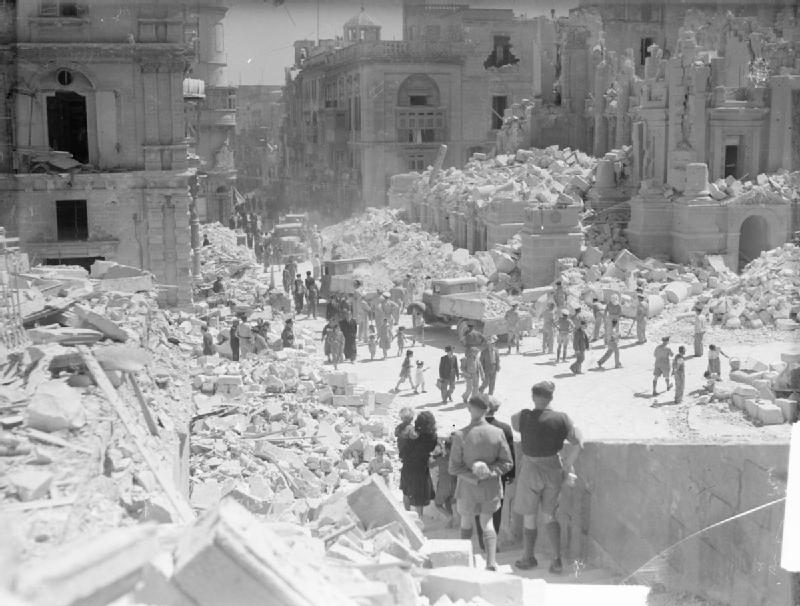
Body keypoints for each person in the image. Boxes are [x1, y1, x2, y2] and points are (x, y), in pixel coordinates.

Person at [511, 381, 583, 574]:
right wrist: (567, 464)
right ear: (551, 398)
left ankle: (528, 557)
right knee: (550, 515)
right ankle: (557, 560)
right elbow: (578, 443)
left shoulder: (523, 416)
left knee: (529, 514)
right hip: (553, 468)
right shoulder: (562, 418)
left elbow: (513, 421)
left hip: (531, 468)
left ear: (534, 397)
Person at [449, 396, 514, 571]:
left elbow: (453, 468)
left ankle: (464, 562)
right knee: (488, 523)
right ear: (487, 410)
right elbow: (507, 463)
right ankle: (491, 562)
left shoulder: (460, 435)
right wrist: (489, 472)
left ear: (470, 409)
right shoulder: (498, 433)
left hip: (468, 488)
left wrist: (473, 477)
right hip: (490, 487)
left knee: (466, 522)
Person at [474, 395, 516, 552]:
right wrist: (511, 474)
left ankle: (482, 542)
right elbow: (511, 454)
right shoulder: (504, 428)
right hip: (499, 474)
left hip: (478, 474)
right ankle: (493, 542)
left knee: (479, 508)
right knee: (496, 509)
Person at [399, 411, 438, 525]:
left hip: (407, 467)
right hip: (420, 469)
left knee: (406, 492)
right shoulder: (431, 438)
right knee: (419, 496)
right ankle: (419, 520)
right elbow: (432, 451)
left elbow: (402, 452)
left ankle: (406, 518)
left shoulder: (410, 434)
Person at [433, 435, 456, 520]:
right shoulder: (457, 460)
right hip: (454, 485)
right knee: (448, 502)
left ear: (446, 449)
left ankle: (449, 517)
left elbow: (430, 465)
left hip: (444, 485)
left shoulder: (441, 459)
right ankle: (451, 523)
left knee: (438, 504)